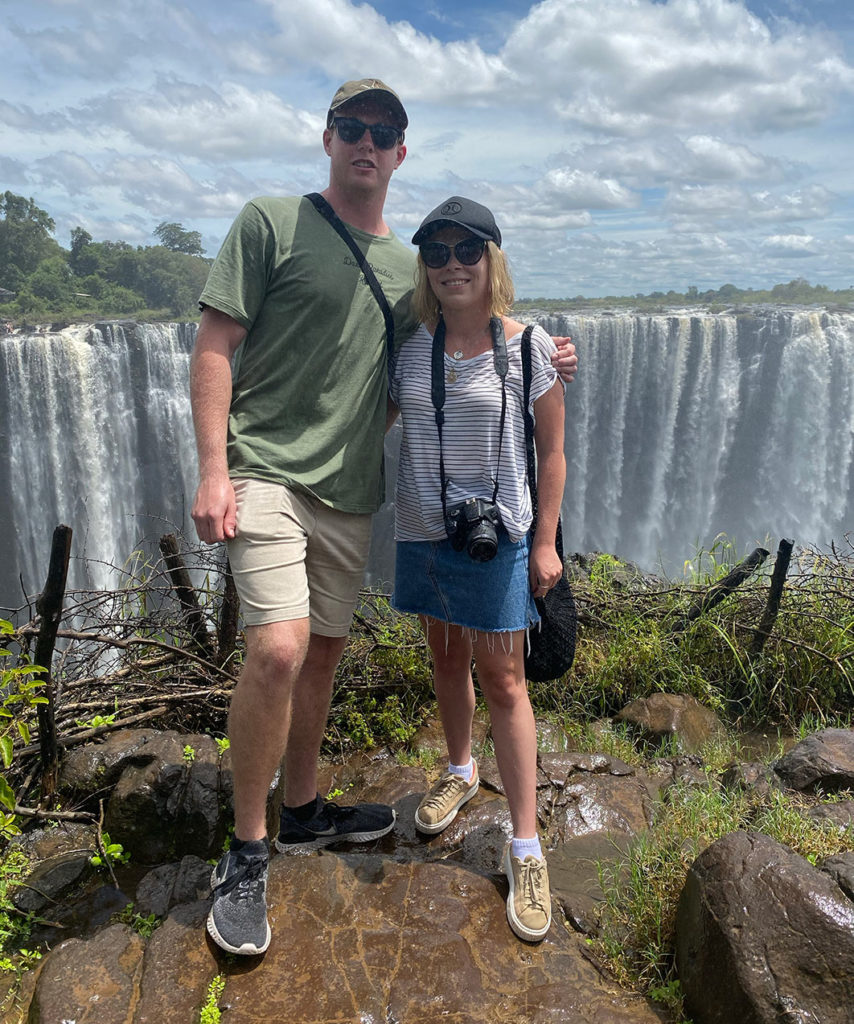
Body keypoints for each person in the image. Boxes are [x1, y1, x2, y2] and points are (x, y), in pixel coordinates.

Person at [190, 79, 578, 956]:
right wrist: (215, 470)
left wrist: (548, 350)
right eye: (353, 128)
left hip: (359, 494)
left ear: (401, 152)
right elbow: (216, 342)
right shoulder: (270, 222)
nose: (367, 142)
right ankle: (248, 852)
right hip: (278, 479)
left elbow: (484, 362)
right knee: (281, 647)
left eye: (385, 132)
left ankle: (306, 810)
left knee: (328, 655)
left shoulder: (419, 279)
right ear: (328, 138)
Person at [388, 197, 565, 942]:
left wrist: (547, 543)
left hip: (501, 542)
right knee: (444, 656)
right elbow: (366, 411)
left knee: (505, 682)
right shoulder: (408, 349)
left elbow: (552, 452)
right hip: (426, 536)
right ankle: (461, 771)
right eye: (437, 252)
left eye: (468, 250)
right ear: (425, 268)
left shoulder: (531, 351)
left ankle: (526, 844)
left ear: (493, 259)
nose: (453, 264)